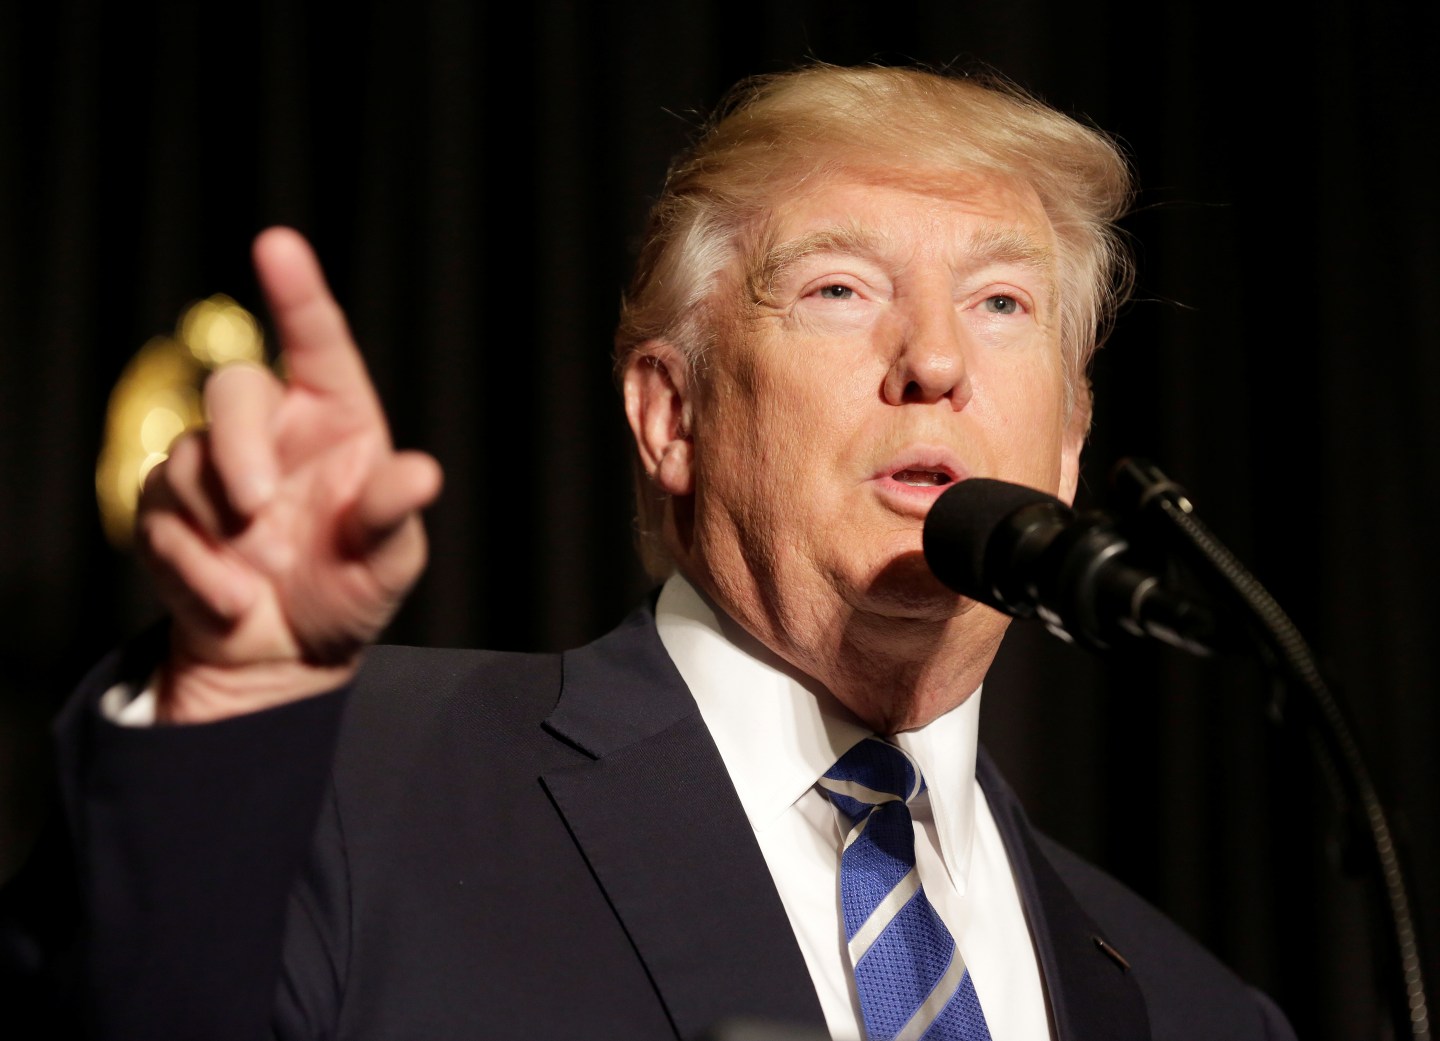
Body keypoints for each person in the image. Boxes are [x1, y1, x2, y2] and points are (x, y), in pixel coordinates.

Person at [13, 64, 1296, 1040]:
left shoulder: (1198, 1008)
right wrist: (233, 714)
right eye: (840, 289)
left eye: (1002, 304)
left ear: (1068, 447)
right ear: (671, 416)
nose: (937, 360)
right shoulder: (349, 788)